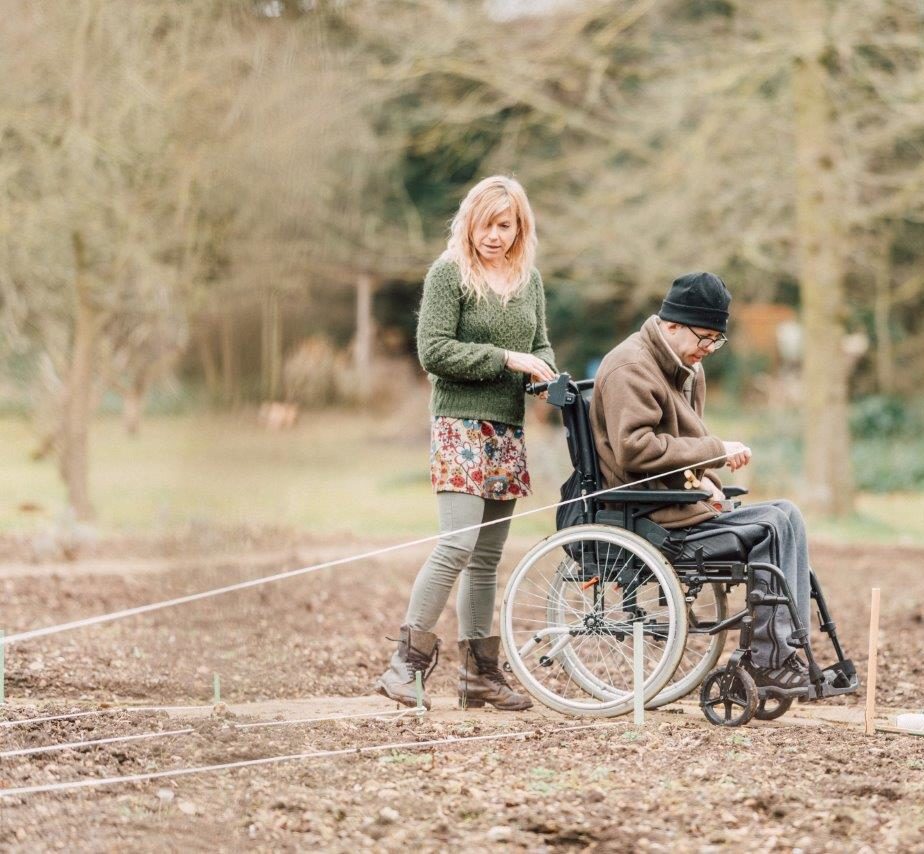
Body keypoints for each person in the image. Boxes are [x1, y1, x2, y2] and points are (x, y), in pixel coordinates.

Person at [374, 176, 557, 711]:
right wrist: (505, 359)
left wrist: (543, 371)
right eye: (485, 224)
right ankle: (403, 667)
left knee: (486, 560)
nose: (493, 236)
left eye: (505, 225)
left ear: (520, 227)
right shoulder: (448, 274)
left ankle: (480, 675)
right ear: (468, 221)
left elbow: (539, 341)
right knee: (457, 545)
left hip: (507, 429)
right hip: (460, 425)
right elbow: (433, 351)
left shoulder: (529, 281)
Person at [589, 272, 811, 693]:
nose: (707, 350)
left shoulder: (683, 368)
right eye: (703, 338)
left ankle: (784, 650)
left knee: (787, 513)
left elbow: (682, 446)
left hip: (679, 502)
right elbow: (635, 449)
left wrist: (706, 478)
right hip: (651, 515)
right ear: (672, 324)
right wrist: (715, 451)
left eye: (716, 340)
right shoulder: (632, 367)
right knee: (772, 525)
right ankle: (769, 658)